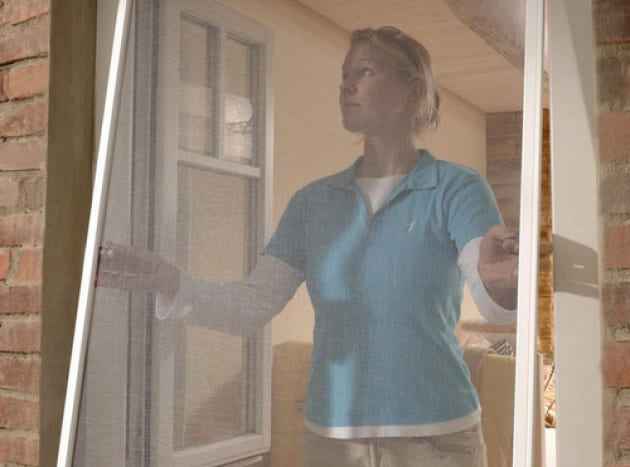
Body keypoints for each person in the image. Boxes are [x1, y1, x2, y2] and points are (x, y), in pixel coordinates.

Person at [98, 26, 518, 467]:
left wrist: (500, 282)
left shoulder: (456, 189)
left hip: (436, 442)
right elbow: (251, 305)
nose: (346, 86)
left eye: (365, 72)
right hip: (332, 444)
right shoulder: (313, 203)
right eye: (344, 75)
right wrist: (170, 282)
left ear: (411, 90)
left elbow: (492, 297)